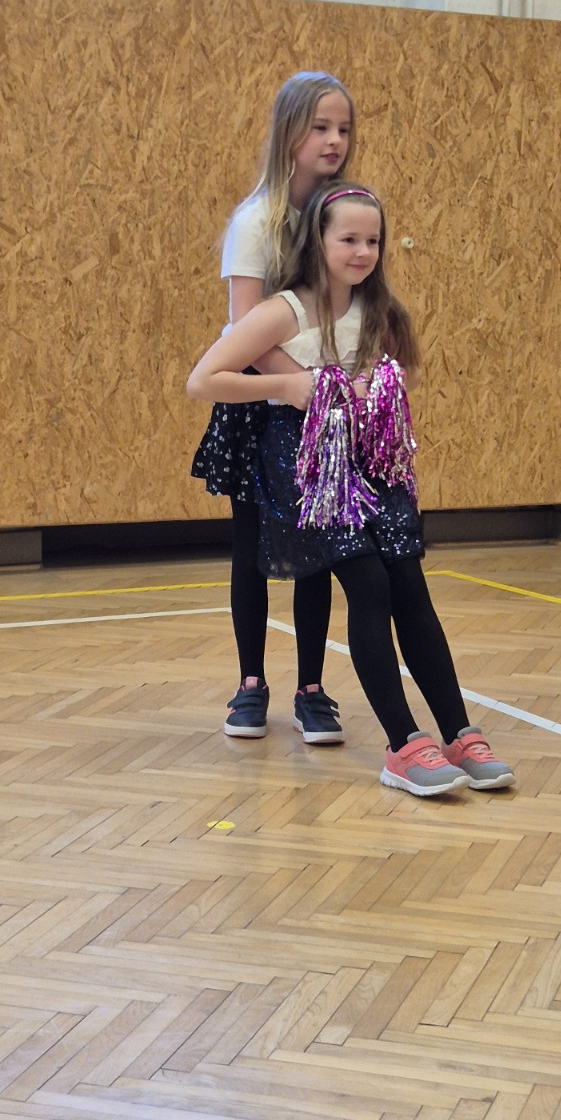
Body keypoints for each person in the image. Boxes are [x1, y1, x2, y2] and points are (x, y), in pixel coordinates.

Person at [187, 182, 516, 797]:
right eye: (348, 239)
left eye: (373, 240)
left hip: (372, 462)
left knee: (408, 583)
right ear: (318, 241)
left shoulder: (381, 310)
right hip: (309, 466)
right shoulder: (284, 310)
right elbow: (204, 379)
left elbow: (406, 374)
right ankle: (403, 745)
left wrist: (378, 387)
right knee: (368, 583)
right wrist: (286, 386)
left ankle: (458, 732)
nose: (362, 251)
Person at [191, 72, 356, 744]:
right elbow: (244, 331)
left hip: (317, 403)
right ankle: (250, 682)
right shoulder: (256, 221)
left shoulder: (339, 214)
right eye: (320, 127)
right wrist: (300, 386)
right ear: (289, 132)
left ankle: (311, 687)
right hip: (264, 403)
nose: (333, 140)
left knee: (315, 544)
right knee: (252, 544)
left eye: (342, 129)